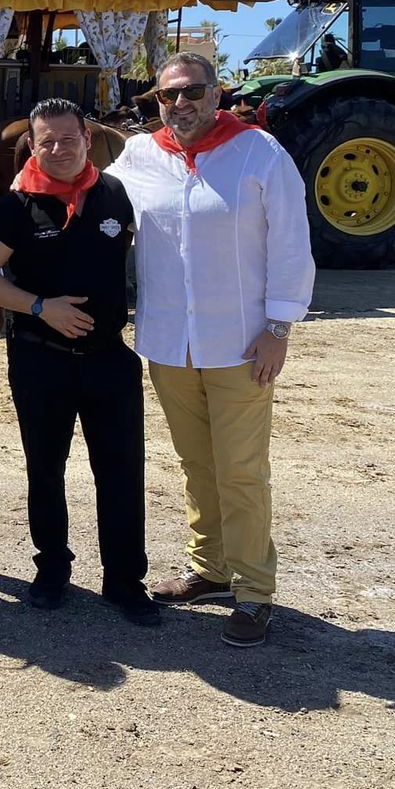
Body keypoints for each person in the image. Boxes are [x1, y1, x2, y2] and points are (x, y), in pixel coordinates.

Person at [109, 52, 314, 648]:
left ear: (216, 91)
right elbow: (87, 198)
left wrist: (279, 327)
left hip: (242, 343)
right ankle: (212, 569)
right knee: (197, 464)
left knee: (242, 471)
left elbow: (291, 244)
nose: (181, 104)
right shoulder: (140, 157)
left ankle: (254, 591)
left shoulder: (259, 153)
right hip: (169, 341)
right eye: (168, 96)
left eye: (192, 91)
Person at [0, 98, 159, 626]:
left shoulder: (115, 194)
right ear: (31, 143)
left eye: (67, 138)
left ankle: (124, 580)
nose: (57, 149)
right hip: (40, 359)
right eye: (45, 141)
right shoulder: (17, 205)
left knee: (120, 471)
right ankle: (52, 567)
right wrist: (37, 307)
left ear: (86, 138)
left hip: (109, 359)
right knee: (45, 470)